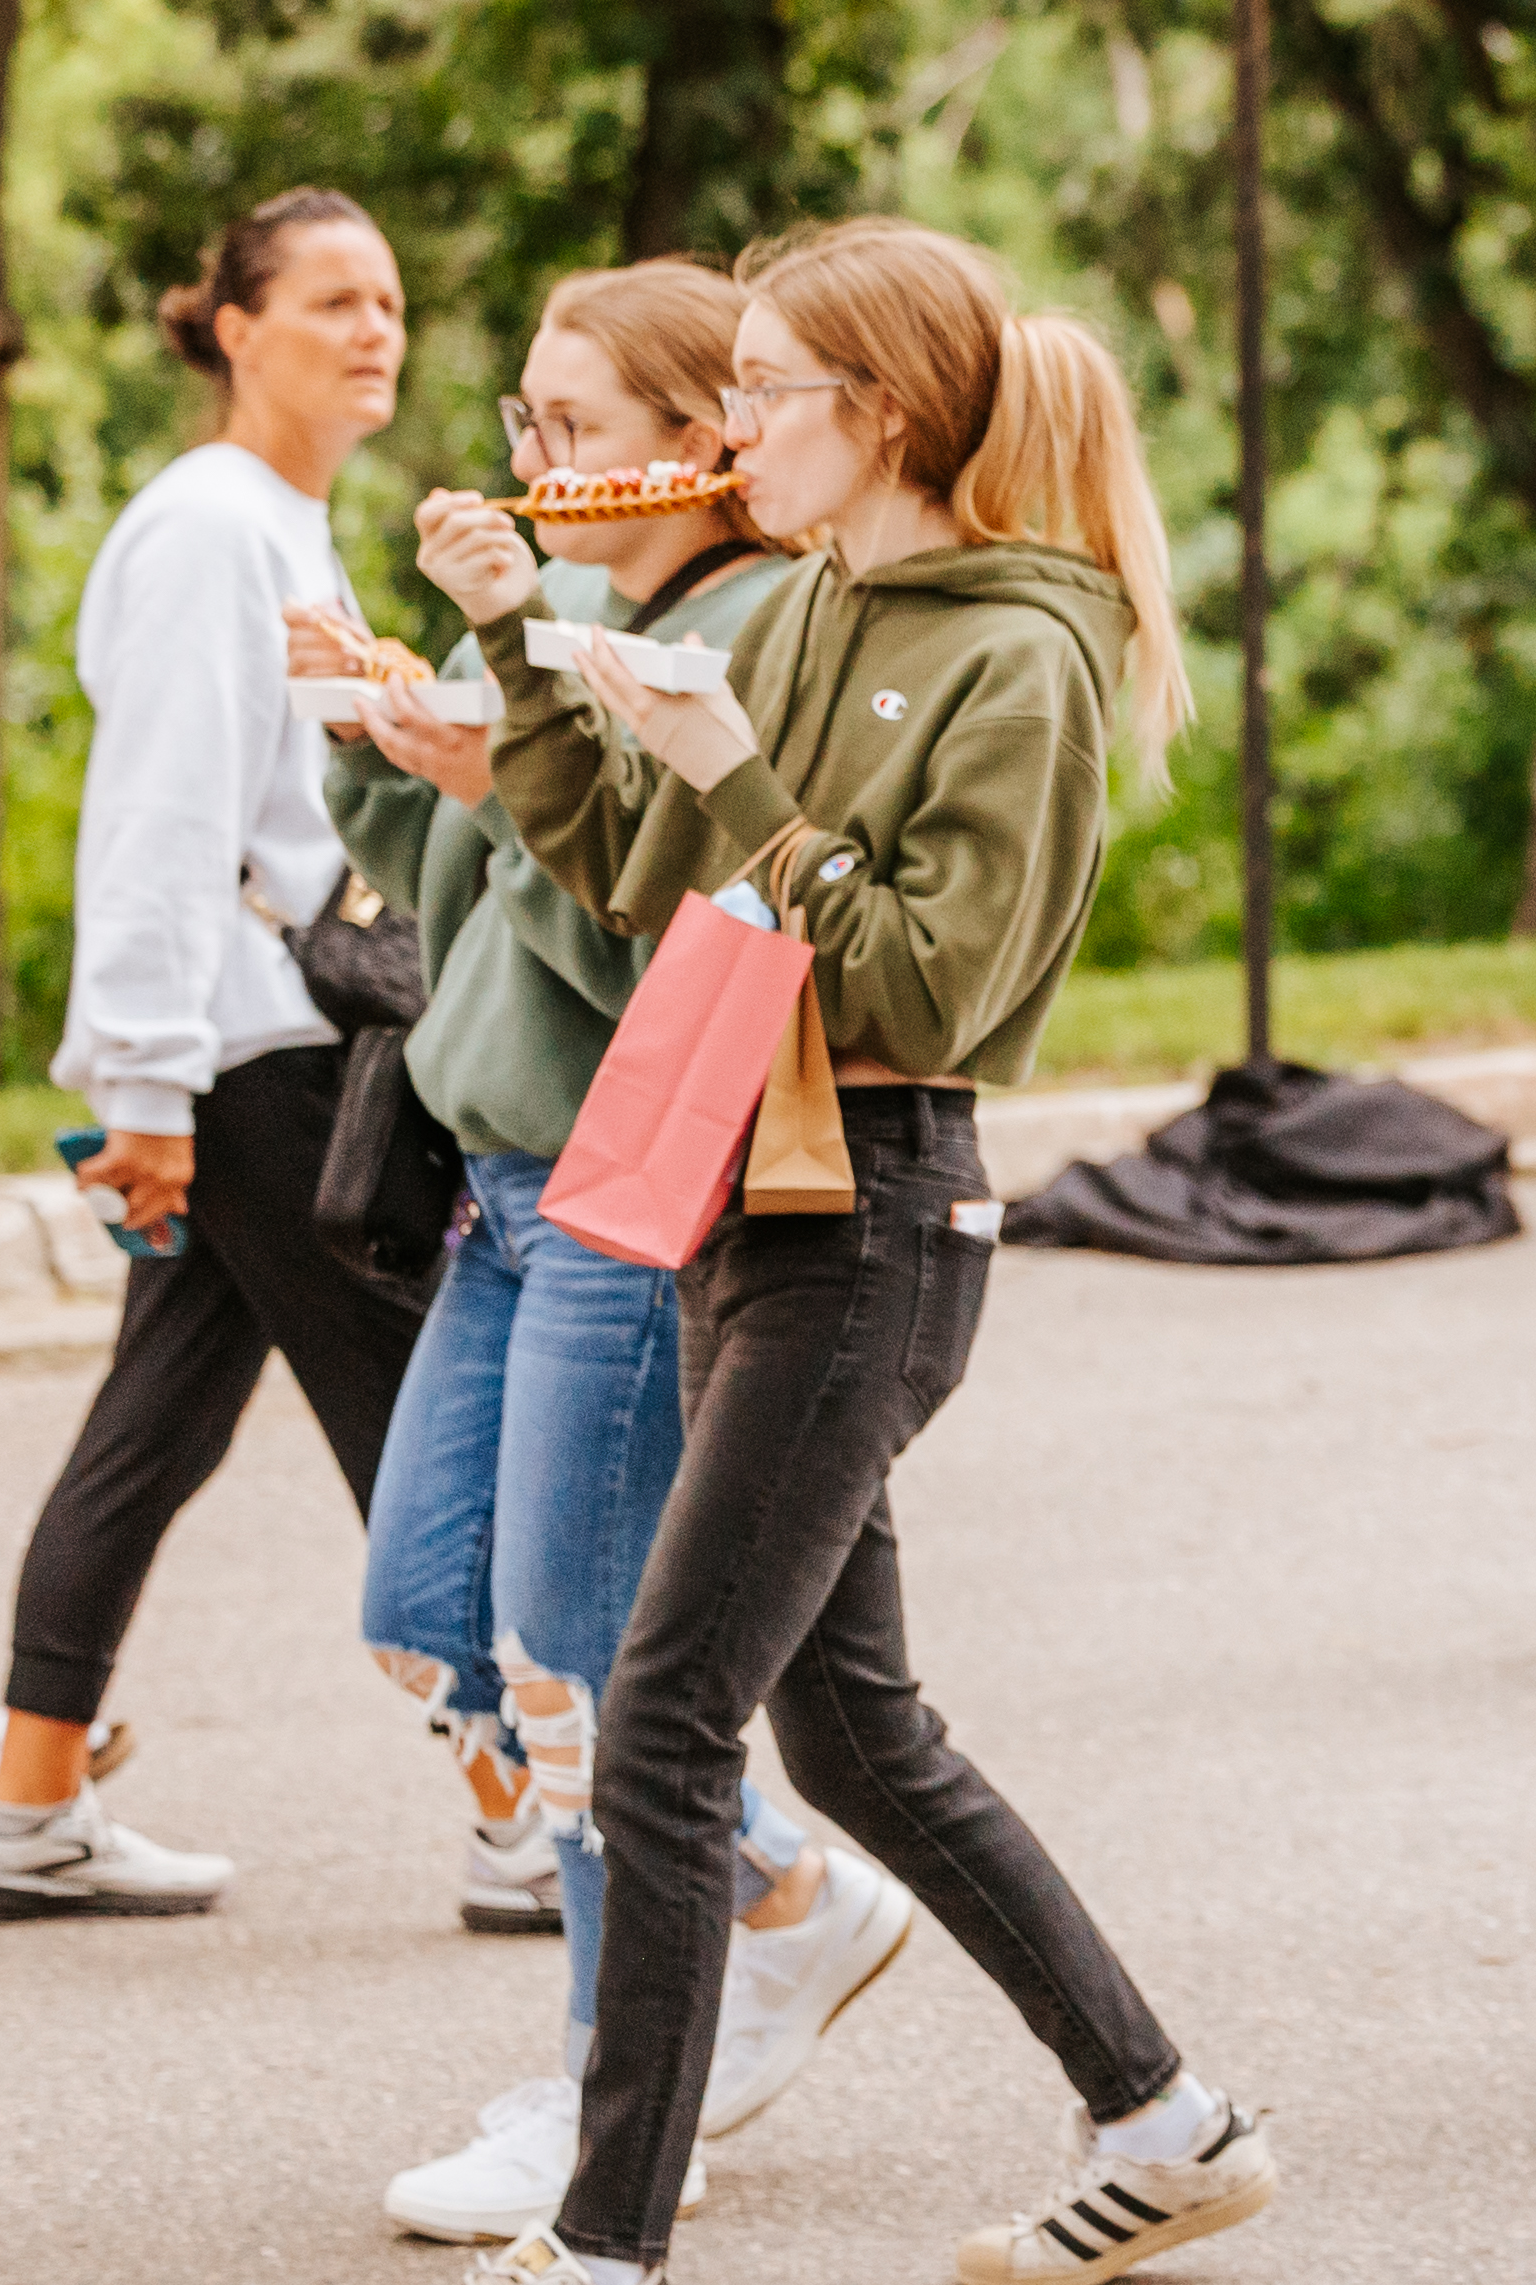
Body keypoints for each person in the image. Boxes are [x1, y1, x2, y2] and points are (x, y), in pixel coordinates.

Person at [431, 218, 1262, 2285]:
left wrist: (745, 785)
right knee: (856, 1734)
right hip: (734, 1197)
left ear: (880, 415)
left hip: (874, 1218)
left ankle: (607, 2239)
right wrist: (536, 658)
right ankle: (1170, 2122)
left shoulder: (1026, 654)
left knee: (665, 1718)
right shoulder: (808, 605)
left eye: (771, 391)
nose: (735, 429)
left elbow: (924, 986)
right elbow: (635, 870)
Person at [330, 260, 915, 2243]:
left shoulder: (734, 631)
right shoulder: (584, 614)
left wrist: (526, 763)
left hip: (620, 1185)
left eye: (575, 429)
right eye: (527, 425)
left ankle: (602, 2088)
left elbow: (654, 952)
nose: (535, 460)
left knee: (574, 1668)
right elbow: (444, 911)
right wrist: (380, 744)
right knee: (422, 1608)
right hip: (493, 1182)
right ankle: (783, 1886)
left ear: (696, 442)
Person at [0, 188, 446, 1918]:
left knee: (155, 1422)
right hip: (252, 1053)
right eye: (328, 299)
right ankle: (536, 1790)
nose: (373, 329)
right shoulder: (210, 530)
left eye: (388, 300)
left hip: (264, 1039)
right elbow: (157, 822)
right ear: (232, 326)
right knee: (416, 1414)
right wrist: (142, 1092)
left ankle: (23, 1804)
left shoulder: (283, 523)